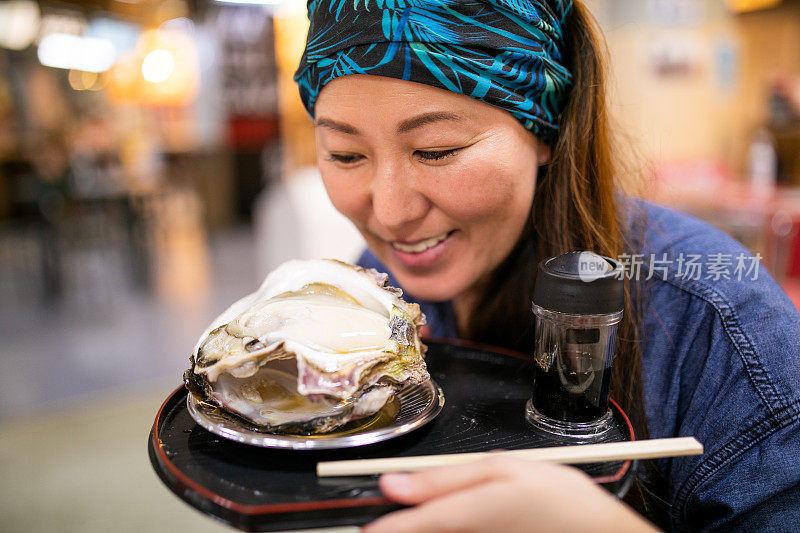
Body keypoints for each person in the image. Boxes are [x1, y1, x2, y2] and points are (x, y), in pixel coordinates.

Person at [294, 1, 800, 531]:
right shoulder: (379, 279)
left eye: (437, 150)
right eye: (346, 154)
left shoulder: (717, 321)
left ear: (544, 129)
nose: (392, 213)